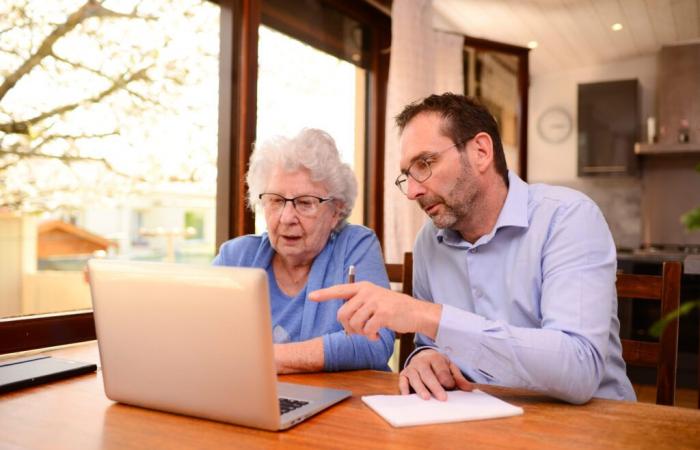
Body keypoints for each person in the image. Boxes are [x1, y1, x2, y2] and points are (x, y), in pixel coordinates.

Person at [310, 93, 636, 404]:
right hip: (479, 420)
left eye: (425, 164)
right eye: (407, 175)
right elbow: (431, 343)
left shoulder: (567, 217)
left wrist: (423, 314)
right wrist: (425, 358)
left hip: (590, 425)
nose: (411, 192)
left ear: (480, 151)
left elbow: (578, 370)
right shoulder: (429, 240)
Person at [213, 128, 394, 374]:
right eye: (275, 200)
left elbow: (375, 342)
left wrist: (267, 358)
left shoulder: (355, 245)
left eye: (305, 203)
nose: (287, 217)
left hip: (346, 404)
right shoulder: (236, 257)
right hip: (259, 401)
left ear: (336, 212)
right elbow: (204, 340)